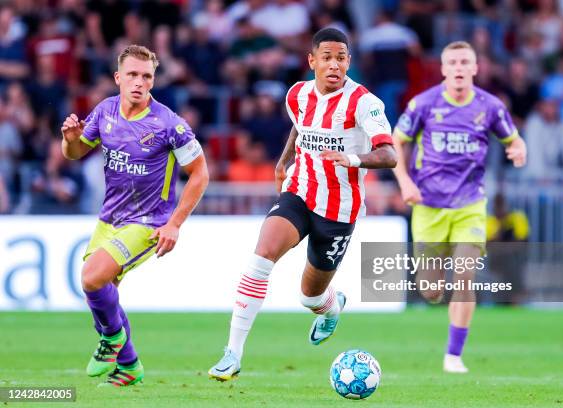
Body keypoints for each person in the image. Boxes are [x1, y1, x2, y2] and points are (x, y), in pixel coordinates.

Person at [208, 27, 397, 381]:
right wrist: (283, 161)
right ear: (312, 61)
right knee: (261, 256)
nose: (334, 65)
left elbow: (389, 154)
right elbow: (300, 127)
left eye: (341, 58)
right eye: (326, 57)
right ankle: (232, 353)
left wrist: (354, 159)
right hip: (300, 191)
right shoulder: (296, 95)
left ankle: (330, 308)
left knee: (310, 298)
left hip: (339, 211)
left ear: (348, 62)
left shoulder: (364, 103)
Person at [61, 44, 209, 387]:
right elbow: (76, 152)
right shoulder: (104, 112)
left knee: (91, 277)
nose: (139, 82)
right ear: (118, 78)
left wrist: (174, 224)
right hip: (108, 218)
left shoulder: (170, 124)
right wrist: (69, 141)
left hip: (147, 221)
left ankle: (113, 341)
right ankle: (129, 366)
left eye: (146, 76)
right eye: (132, 75)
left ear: (153, 82)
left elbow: (200, 174)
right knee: (100, 298)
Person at [391, 41, 527, 374]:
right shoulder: (423, 104)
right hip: (428, 206)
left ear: (476, 68)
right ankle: (437, 299)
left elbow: (513, 138)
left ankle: (454, 355)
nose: (459, 67)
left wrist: (519, 149)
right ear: (443, 68)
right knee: (432, 290)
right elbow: (396, 141)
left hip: (470, 205)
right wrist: (405, 183)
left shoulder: (491, 107)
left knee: (464, 274)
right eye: (452, 62)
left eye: (465, 61)